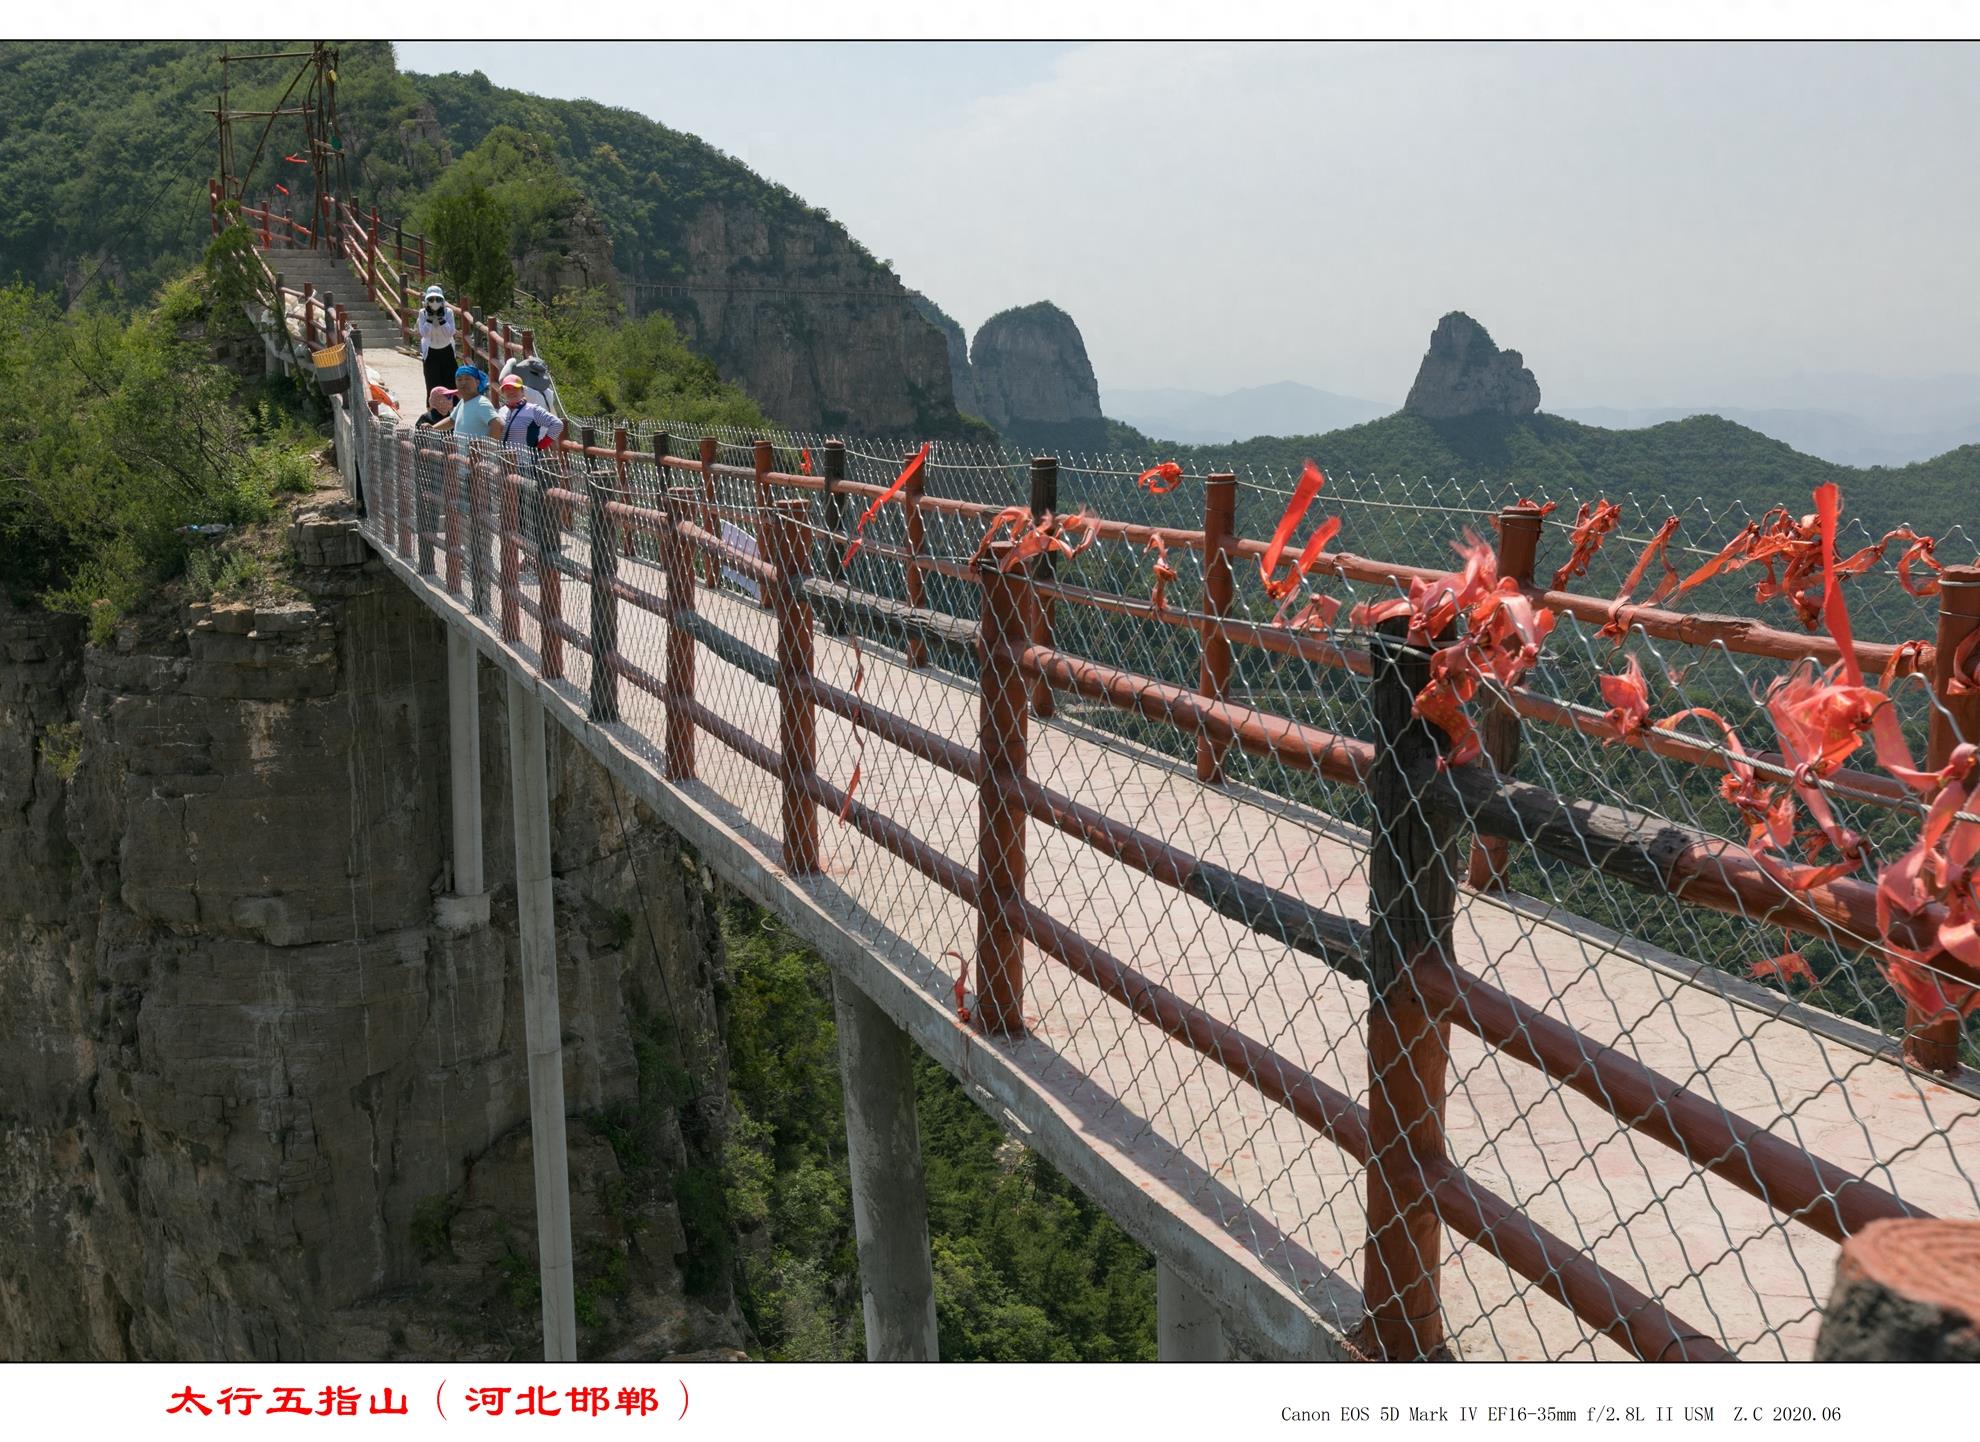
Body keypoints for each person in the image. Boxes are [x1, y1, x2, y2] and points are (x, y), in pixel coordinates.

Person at [495, 374, 568, 568]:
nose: (510, 392)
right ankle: (522, 554)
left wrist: (541, 445)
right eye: (506, 389)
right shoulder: (502, 411)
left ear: (522, 390)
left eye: (514, 389)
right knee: (513, 512)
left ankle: (532, 556)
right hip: (506, 466)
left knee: (528, 511)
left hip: (526, 466)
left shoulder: (532, 410)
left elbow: (557, 424)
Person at [427, 365, 496, 451]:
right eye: (459, 379)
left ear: (477, 382)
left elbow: (497, 424)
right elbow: (452, 420)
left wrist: (488, 448)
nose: (463, 383)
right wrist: (432, 428)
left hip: (476, 458)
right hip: (462, 457)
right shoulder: (462, 402)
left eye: (467, 379)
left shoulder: (482, 403)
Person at [416, 285, 458, 395]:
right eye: (431, 299)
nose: (435, 302)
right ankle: (433, 408)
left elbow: (450, 333)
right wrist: (429, 320)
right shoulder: (423, 313)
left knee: (450, 382)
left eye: (438, 299)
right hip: (430, 351)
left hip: (446, 350)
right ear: (427, 301)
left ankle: (451, 408)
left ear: (442, 300)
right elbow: (424, 334)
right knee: (432, 382)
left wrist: (441, 320)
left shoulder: (448, 312)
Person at [497, 353, 561, 417]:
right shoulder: (548, 392)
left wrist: (511, 362)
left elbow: (502, 380)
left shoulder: (529, 392)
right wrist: (532, 359)